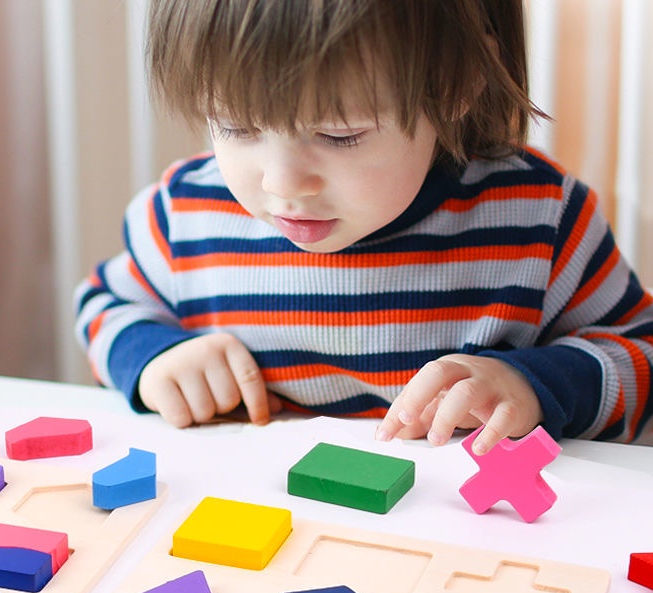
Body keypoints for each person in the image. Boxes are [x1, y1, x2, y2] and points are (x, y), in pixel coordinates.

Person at [74, 0, 653, 454]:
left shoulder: (541, 217)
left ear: (457, 81)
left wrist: (534, 386)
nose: (283, 183)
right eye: (235, 126)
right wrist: (153, 359)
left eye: (339, 135)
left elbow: (640, 355)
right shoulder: (185, 213)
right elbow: (104, 307)